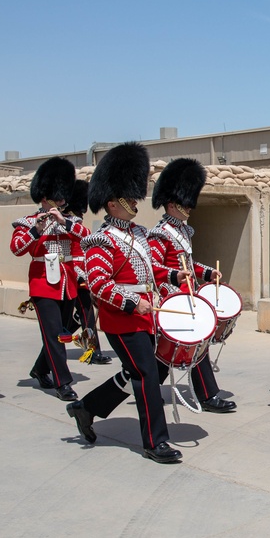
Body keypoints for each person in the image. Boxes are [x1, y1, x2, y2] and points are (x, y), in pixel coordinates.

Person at [64, 143, 182, 463]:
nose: (135, 201)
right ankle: (155, 441)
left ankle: (86, 408)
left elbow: (152, 269)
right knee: (145, 375)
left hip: (145, 315)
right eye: (129, 198)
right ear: (112, 203)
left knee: (144, 372)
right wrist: (132, 303)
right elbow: (100, 284)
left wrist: (176, 277)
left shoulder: (138, 233)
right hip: (122, 318)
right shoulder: (100, 241)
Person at [147, 158, 236, 413]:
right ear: (173, 204)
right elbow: (155, 268)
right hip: (172, 298)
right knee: (185, 349)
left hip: (188, 295)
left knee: (183, 350)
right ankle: (206, 396)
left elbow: (188, 262)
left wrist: (207, 272)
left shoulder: (184, 232)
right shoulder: (160, 233)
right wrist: (175, 278)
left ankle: (151, 389)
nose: (189, 207)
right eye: (185, 203)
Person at [10, 157, 86, 401]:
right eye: (58, 198)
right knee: (55, 335)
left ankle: (40, 369)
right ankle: (63, 382)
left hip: (67, 284)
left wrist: (65, 223)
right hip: (43, 285)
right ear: (45, 198)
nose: (63, 202)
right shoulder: (28, 222)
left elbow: (85, 238)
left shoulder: (70, 222)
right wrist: (37, 230)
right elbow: (17, 248)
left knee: (60, 332)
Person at [63, 178, 111, 364]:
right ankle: (89, 349)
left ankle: (92, 350)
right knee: (80, 314)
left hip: (81, 273)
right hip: (71, 274)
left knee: (84, 313)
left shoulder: (75, 223)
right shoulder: (67, 223)